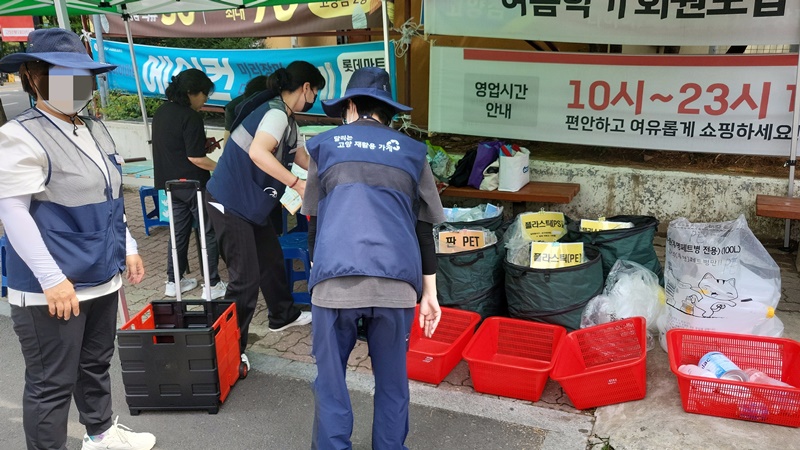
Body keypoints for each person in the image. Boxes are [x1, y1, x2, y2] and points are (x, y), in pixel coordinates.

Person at [0, 28, 155, 450]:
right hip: (54, 287)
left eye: (81, 75)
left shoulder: (93, 128)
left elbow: (108, 195)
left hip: (101, 275)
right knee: (52, 382)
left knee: (94, 364)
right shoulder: (20, 135)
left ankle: (101, 434)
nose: (75, 85)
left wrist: (129, 247)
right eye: (62, 74)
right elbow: (11, 211)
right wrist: (51, 278)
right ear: (34, 76)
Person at [302, 66, 445, 449]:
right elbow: (423, 228)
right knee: (393, 382)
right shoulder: (414, 153)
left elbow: (314, 221)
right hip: (397, 285)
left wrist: (319, 273)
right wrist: (429, 294)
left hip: (334, 282)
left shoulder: (324, 145)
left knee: (331, 382)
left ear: (350, 105)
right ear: (389, 113)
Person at [205, 61, 325, 369]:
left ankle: (283, 315)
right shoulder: (274, 114)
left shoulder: (288, 118)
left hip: (250, 204)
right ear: (306, 88)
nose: (313, 99)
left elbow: (301, 157)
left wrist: (325, 177)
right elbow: (259, 152)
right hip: (230, 202)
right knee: (244, 280)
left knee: (270, 259)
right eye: (314, 92)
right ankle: (229, 348)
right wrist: (296, 183)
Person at [152, 68, 226, 299]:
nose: (205, 100)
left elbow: (178, 146)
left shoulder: (162, 112)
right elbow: (195, 159)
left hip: (170, 184)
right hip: (194, 185)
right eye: (204, 94)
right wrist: (221, 167)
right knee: (208, 233)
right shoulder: (191, 116)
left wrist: (203, 145)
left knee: (178, 233)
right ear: (192, 92)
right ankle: (211, 284)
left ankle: (174, 281)